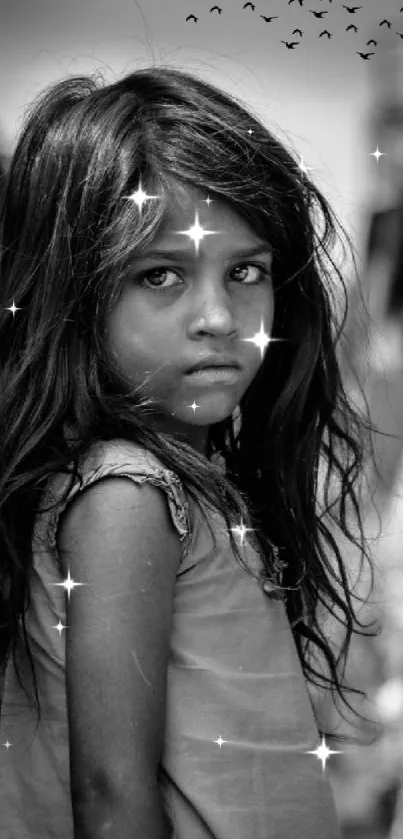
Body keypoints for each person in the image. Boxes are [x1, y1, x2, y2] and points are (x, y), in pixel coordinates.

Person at [0, 66, 380, 839]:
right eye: (160, 274)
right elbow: (112, 800)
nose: (217, 316)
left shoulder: (190, 481)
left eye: (245, 271)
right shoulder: (125, 497)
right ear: (78, 294)